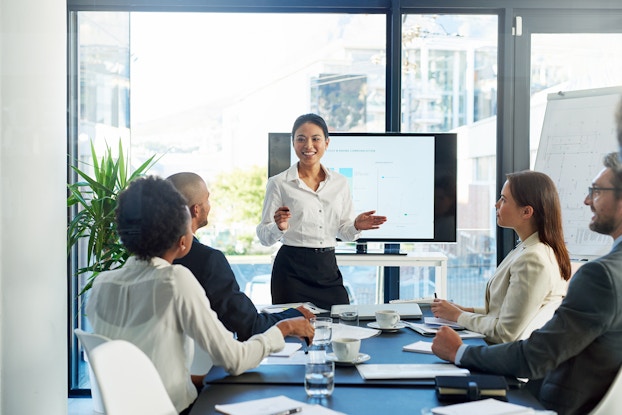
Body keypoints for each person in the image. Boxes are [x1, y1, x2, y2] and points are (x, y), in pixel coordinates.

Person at [86, 176, 314, 415]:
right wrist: (285, 328)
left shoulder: (102, 284)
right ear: (182, 241)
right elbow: (235, 359)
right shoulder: (174, 280)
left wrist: (193, 378)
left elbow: (137, 366)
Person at [431, 152, 622, 415]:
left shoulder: (600, 275)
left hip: (549, 403)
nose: (587, 200)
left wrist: (459, 352)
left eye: (597, 191)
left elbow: (534, 356)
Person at [256, 113, 387, 310]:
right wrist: (278, 227)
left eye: (315, 139)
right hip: (291, 271)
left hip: (327, 268)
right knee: (294, 333)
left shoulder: (340, 183)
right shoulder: (278, 183)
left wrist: (356, 226)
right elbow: (264, 237)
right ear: (293, 143)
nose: (308, 145)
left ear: (326, 142)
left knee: (340, 326)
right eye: (301, 139)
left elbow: (343, 231)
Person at [167, 172, 314, 341]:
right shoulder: (207, 260)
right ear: (196, 210)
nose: (210, 205)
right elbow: (250, 326)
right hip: (211, 365)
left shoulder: (145, 258)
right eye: (207, 199)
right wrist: (295, 315)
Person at [431, 170, 571, 344]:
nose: (496, 205)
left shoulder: (532, 259)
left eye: (504, 200)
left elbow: (505, 333)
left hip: (500, 357)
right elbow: (505, 313)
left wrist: (458, 316)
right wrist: (464, 310)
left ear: (526, 212)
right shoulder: (531, 248)